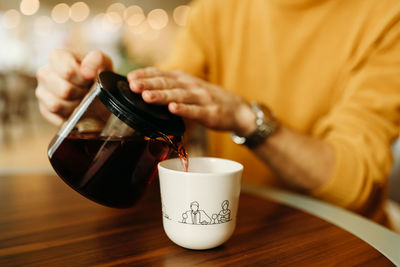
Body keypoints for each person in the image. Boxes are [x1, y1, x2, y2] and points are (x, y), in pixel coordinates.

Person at [36, 0, 400, 227]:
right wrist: (91, 100)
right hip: (242, 224)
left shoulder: (388, 16)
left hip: (345, 238)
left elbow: (355, 184)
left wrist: (245, 117)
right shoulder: (217, 7)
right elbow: (172, 101)